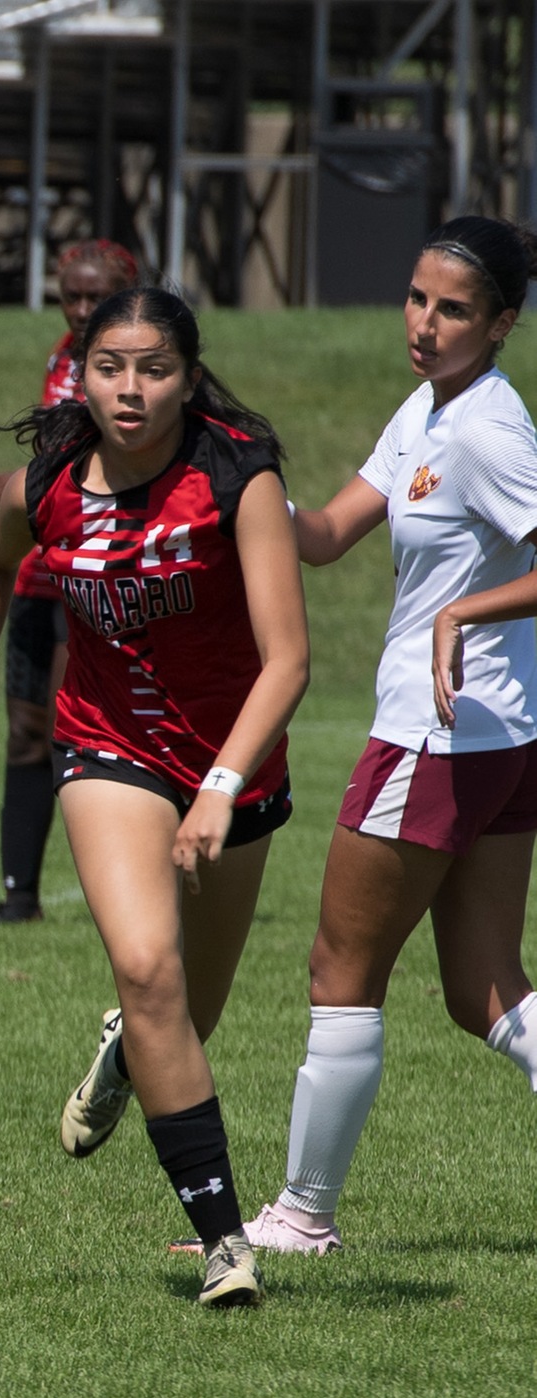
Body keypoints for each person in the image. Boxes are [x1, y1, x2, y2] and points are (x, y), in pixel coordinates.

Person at [0, 286, 310, 1308]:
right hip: (104, 751)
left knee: (185, 1012)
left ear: (188, 376)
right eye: (108, 367)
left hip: (234, 766)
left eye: (152, 369)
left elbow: (287, 662)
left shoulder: (236, 474)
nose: (128, 389)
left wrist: (222, 786)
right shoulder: (50, 473)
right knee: (147, 974)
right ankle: (226, 1241)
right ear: (77, 370)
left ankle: (124, 1056)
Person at [245, 217, 537, 1257]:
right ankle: (299, 1210)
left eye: (452, 309)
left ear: (500, 322)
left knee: (338, 969)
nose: (422, 323)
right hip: (496, 743)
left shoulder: (485, 429)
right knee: (483, 990)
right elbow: (321, 537)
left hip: (437, 739)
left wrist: (461, 615)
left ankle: (299, 1215)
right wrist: (241, 483)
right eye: (415, 299)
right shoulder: (426, 408)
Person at [0, 240, 141, 924]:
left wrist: (26, 482)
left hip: (96, 580)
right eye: (68, 296)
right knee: (23, 730)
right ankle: (20, 895)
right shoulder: (59, 356)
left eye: (92, 296)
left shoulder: (138, 367)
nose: (78, 309)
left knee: (86, 735)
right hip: (37, 577)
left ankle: (129, 885)